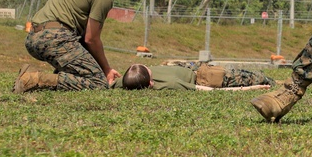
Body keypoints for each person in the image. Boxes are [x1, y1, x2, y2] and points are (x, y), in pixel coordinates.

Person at [13, 0, 153, 93]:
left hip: (35, 36)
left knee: (85, 65)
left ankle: (54, 77)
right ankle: (33, 79)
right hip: (54, 38)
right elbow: (91, 39)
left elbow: (84, 38)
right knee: (97, 82)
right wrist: (106, 69)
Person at [111, 62, 277, 91]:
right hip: (208, 77)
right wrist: (251, 88)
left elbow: (112, 83)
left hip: (194, 67)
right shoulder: (170, 84)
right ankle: (275, 82)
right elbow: (205, 90)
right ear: (151, 82)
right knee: (259, 77)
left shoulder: (127, 80)